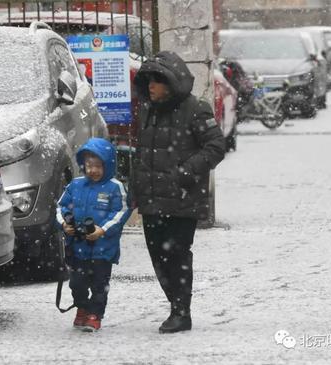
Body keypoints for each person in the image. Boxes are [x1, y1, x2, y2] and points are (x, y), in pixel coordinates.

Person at [132, 51, 226, 334]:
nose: (151, 86)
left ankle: (181, 311)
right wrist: (136, 188)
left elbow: (216, 146)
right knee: (157, 255)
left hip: (181, 200)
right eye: (148, 80)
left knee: (178, 255)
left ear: (172, 83)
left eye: (158, 81)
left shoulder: (195, 109)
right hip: (151, 200)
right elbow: (143, 153)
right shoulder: (147, 110)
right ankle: (175, 304)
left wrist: (185, 172)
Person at [56, 138, 132, 332]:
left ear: (108, 165)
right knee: (76, 284)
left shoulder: (115, 187)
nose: (93, 170)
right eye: (89, 166)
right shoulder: (76, 184)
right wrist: (65, 223)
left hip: (103, 249)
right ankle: (82, 307)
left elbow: (121, 212)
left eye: (98, 166)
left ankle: (95, 315)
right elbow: (60, 206)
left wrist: (103, 230)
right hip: (78, 247)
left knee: (100, 285)